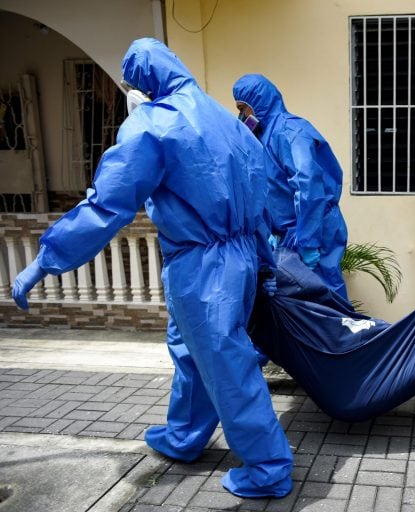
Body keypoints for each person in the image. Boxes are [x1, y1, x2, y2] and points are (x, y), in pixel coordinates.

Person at [11, 38, 293, 497]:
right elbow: (261, 200)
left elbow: (107, 206)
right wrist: (263, 265)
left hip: (200, 265)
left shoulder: (153, 124)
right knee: (191, 350)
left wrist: (45, 261)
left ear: (142, 80)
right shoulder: (231, 122)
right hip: (238, 256)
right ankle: (183, 436)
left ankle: (268, 468)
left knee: (225, 362)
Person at [232, 74, 349, 299]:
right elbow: (269, 190)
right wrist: (271, 231)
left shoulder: (291, 131)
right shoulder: (262, 139)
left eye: (244, 108)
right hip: (290, 236)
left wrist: (309, 240)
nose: (242, 116)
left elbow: (308, 185)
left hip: (315, 231)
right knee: (301, 305)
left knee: (327, 297)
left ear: (259, 102)